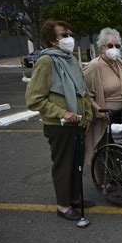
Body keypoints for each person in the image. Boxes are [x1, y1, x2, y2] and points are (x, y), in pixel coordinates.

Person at [25, 20, 94, 221]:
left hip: (78, 122)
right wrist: (62, 113)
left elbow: (82, 92)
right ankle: (63, 206)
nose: (69, 38)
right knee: (64, 165)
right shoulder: (46, 62)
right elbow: (34, 99)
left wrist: (87, 115)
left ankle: (74, 198)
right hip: (60, 125)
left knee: (77, 163)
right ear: (52, 40)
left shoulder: (71, 59)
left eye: (70, 34)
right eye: (64, 35)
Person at [83, 27, 122, 166]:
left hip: (121, 114)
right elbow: (85, 93)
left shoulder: (120, 63)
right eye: (110, 45)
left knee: (117, 148)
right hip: (104, 115)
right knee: (103, 147)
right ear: (102, 48)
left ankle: (116, 175)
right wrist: (96, 108)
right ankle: (103, 180)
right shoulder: (94, 66)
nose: (114, 48)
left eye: (117, 46)